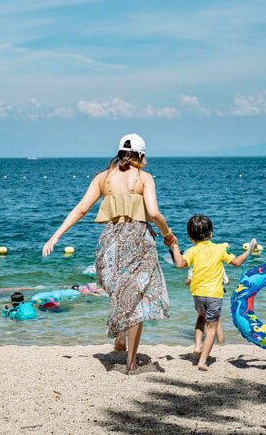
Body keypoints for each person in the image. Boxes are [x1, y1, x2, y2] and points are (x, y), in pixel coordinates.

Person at [43, 134, 174, 374]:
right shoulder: (145, 178)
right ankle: (131, 364)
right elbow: (153, 213)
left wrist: (56, 235)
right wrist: (168, 234)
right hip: (138, 241)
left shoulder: (102, 178)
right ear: (142, 156)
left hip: (110, 242)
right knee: (136, 298)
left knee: (122, 291)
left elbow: (82, 209)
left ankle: (120, 338)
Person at [168, 215, 255, 371]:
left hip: (197, 295)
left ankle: (196, 345)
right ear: (211, 234)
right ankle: (202, 361)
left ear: (189, 237)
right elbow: (237, 262)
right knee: (212, 328)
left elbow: (180, 264)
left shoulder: (192, 251)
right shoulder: (220, 249)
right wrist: (250, 250)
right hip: (214, 295)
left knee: (201, 318)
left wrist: (175, 247)